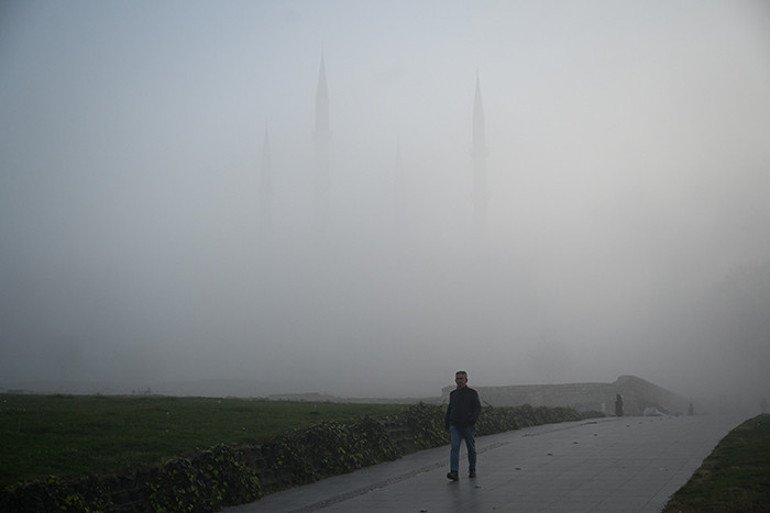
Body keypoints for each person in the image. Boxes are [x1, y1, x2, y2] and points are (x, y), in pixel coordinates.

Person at [445, 370, 481, 480]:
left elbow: (477, 408)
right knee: (454, 448)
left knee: (471, 448)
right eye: (458, 379)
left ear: (466, 380)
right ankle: (454, 472)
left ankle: (472, 469)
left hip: (468, 426)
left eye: (462, 378)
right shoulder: (453, 394)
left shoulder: (472, 393)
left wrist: (472, 420)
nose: (459, 381)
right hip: (455, 425)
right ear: (455, 380)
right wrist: (447, 422)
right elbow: (450, 408)